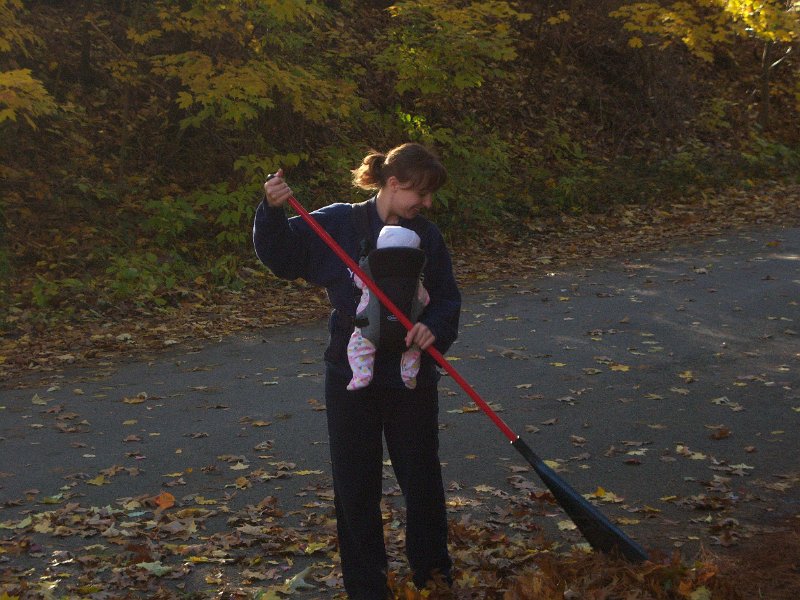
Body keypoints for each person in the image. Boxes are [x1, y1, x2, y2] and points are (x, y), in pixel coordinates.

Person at [253, 142, 461, 599]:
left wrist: (433, 328)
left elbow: (446, 297)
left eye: (430, 196)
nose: (427, 204)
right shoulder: (339, 223)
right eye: (421, 193)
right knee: (355, 486)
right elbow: (282, 256)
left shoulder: (427, 236)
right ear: (394, 183)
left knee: (422, 479)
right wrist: (271, 210)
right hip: (350, 374)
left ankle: (433, 576)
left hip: (410, 376)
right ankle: (367, 587)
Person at [347, 224, 430, 391]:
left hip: (370, 327)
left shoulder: (369, 273)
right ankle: (409, 375)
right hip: (407, 330)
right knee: (414, 349)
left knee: (358, 346)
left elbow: (357, 282)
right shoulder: (415, 281)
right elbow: (424, 300)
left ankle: (362, 375)